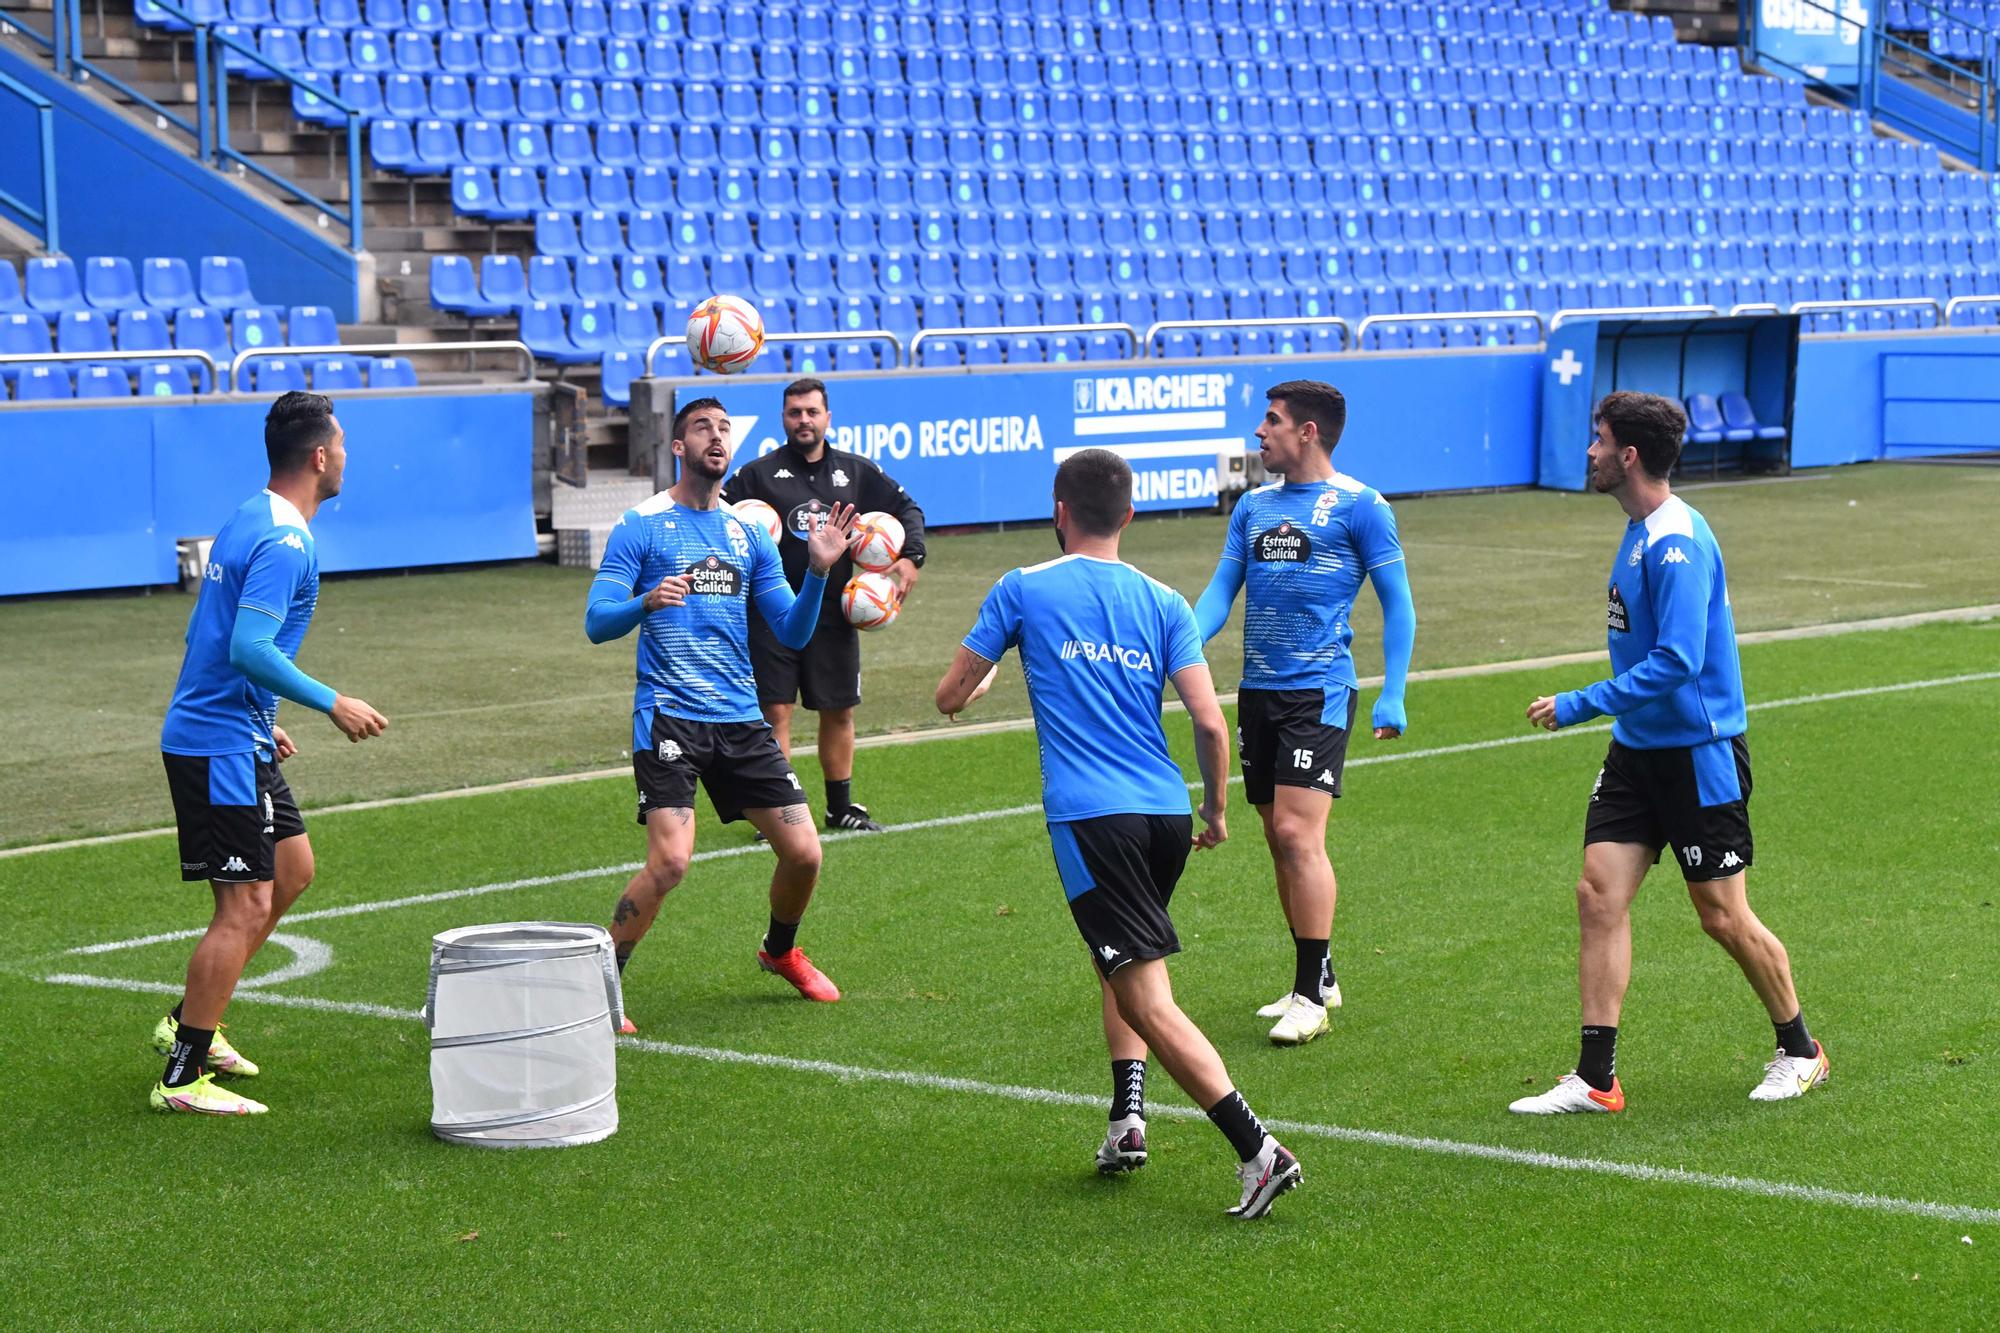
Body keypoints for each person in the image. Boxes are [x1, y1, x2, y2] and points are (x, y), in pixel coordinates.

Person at [935, 448, 1302, 1220]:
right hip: (1163, 812)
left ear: (1058, 511)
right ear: (1128, 514)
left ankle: (1258, 1150)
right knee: (1122, 966)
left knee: (1144, 990)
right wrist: (1215, 810)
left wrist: (993, 668)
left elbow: (949, 697)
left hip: (1089, 816)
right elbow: (1208, 719)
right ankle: (1127, 1119)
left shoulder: (1023, 588)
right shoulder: (1164, 598)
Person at [1512, 391, 1828, 1114]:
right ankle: (1597, 1078)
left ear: (1628, 455)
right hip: (1638, 752)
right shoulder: (1637, 528)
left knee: (1722, 916)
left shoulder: (1675, 541)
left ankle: (1802, 1050)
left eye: (1598, 439)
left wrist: (1578, 703)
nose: (1588, 450)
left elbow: (1680, 659)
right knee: (1598, 895)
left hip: (1698, 752)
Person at [153, 391, 390, 1115]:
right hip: (218, 742)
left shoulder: (252, 514)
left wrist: (262, 713)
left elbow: (209, 633)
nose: (346, 454)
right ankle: (183, 1073)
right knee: (245, 902)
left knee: (292, 868)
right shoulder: (287, 541)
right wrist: (331, 702)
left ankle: (194, 1016)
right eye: (342, 443)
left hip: (238, 728)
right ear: (320, 457)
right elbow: (247, 645)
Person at [588, 396, 857, 1029]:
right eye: (702, 427)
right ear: (678, 446)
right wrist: (645, 602)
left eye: (724, 428)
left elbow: (790, 633)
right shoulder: (642, 525)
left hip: (739, 718)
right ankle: (599, 983)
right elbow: (597, 623)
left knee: (805, 854)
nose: (717, 436)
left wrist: (818, 571)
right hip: (670, 717)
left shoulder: (745, 533)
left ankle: (780, 951)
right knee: (672, 862)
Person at [1189, 380, 1417, 1046]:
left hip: (1318, 690)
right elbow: (1219, 594)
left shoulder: (1361, 507)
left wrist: (1394, 688)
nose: (1260, 433)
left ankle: (1312, 995)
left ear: (1308, 431)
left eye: (1272, 421)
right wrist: (1179, 644)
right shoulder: (1253, 508)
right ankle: (1316, 974)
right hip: (1257, 690)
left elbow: (1397, 602)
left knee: (1296, 834)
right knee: (1275, 837)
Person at [721, 377, 927, 832]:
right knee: (775, 710)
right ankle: (778, 811)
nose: (804, 420)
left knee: (838, 709)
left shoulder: (854, 472)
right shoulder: (757, 475)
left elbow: (907, 509)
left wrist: (911, 557)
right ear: (784, 419)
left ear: (827, 417)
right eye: (795, 413)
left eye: (812, 412)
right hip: (771, 613)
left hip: (834, 611)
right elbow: (716, 510)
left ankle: (840, 808)